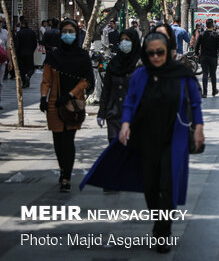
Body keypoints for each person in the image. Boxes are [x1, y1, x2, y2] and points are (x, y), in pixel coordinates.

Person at [82, 31, 204, 253]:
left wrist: (199, 129)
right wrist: (126, 123)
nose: (156, 56)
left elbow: (195, 102)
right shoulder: (140, 75)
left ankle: (163, 231)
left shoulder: (179, 73)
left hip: (173, 138)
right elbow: (130, 102)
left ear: (167, 52)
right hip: (145, 138)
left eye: (160, 52)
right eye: (151, 53)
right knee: (150, 185)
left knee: (167, 186)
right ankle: (159, 221)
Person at [40, 19, 94, 192]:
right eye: (65, 31)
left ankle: (66, 177)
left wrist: (70, 95)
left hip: (73, 104)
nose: (68, 35)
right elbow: (46, 80)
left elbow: (86, 81)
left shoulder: (82, 56)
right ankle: (63, 168)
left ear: (76, 34)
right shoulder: (53, 56)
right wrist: (43, 98)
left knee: (68, 140)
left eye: (71, 31)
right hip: (54, 103)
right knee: (57, 139)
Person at [97, 28, 141, 143]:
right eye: (122, 40)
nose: (124, 42)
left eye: (127, 40)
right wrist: (102, 112)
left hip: (135, 117)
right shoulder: (114, 63)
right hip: (114, 115)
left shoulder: (141, 65)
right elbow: (106, 89)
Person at [195, 19, 219, 98]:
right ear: (213, 26)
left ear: (206, 25)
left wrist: (197, 54)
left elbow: (197, 46)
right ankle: (214, 91)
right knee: (213, 74)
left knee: (205, 73)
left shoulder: (202, 34)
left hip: (204, 56)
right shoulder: (216, 35)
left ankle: (205, 92)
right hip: (213, 57)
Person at [15, 20, 38, 88]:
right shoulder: (32, 32)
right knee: (31, 67)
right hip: (29, 53)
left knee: (22, 68)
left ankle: (24, 82)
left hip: (21, 53)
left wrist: (17, 53)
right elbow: (35, 43)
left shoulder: (19, 33)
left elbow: (17, 44)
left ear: (22, 24)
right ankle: (28, 75)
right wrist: (32, 50)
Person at [0, 19, 12, 110]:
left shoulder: (5, 33)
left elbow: (8, 48)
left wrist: (10, 61)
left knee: (0, 83)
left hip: (2, 61)